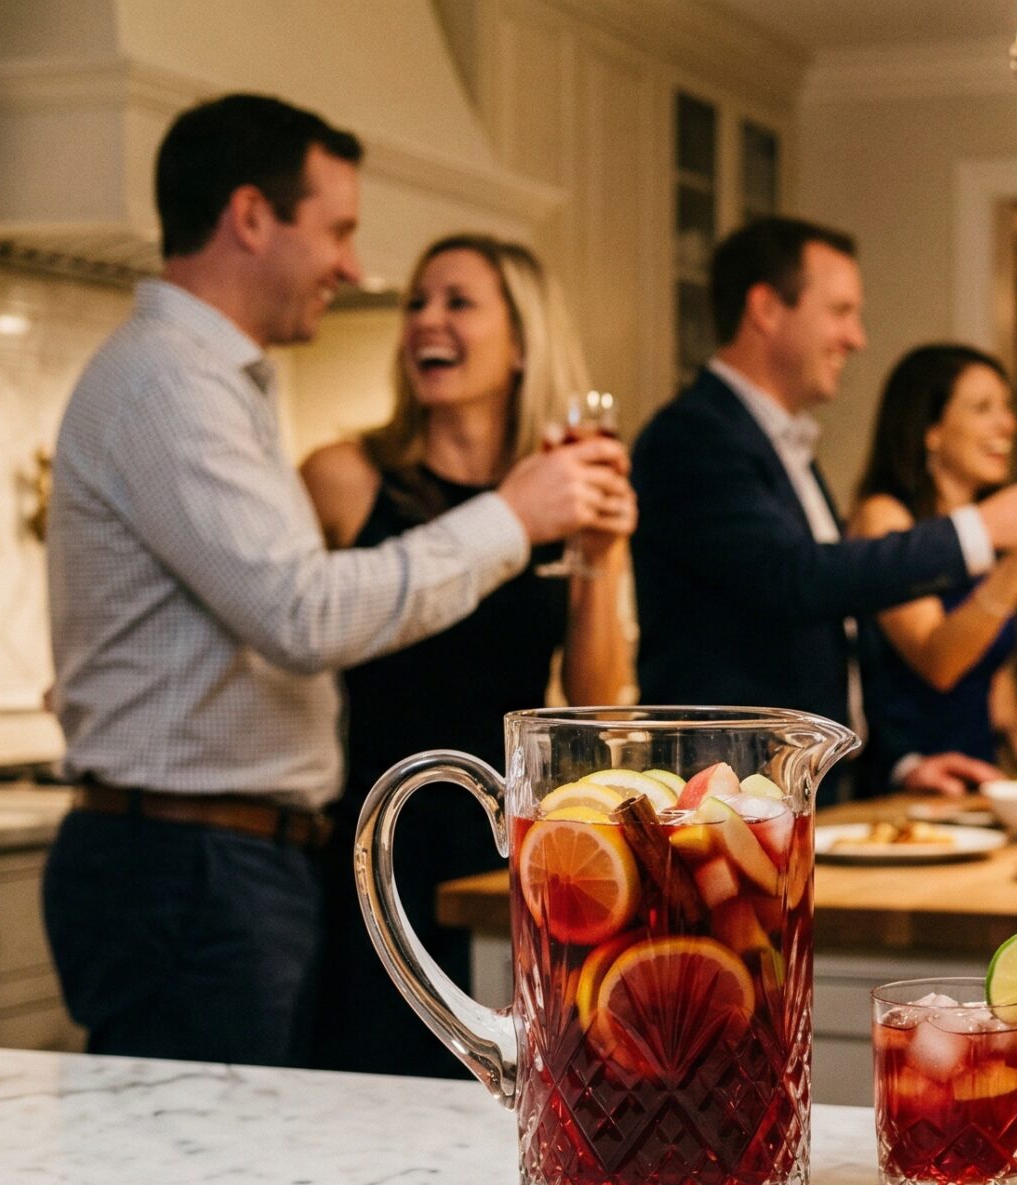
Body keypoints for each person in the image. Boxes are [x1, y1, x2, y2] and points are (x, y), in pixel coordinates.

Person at [42, 95, 628, 1066]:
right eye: (340, 230)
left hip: (238, 858)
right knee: (195, 1176)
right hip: (201, 865)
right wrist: (516, 518)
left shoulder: (213, 383)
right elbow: (301, 614)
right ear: (251, 218)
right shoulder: (171, 385)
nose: (354, 268)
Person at [295, 235, 632, 1077]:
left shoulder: (555, 488)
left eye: (457, 302)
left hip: (503, 844)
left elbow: (595, 709)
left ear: (522, 343)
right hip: (373, 836)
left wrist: (604, 554)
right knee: (369, 1074)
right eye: (416, 301)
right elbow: (294, 629)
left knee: (499, 1077)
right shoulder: (343, 476)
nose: (425, 322)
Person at [628, 217, 1017, 792]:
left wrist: (901, 762)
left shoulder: (781, 441)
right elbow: (793, 579)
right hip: (718, 795)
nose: (857, 337)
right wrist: (983, 529)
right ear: (766, 310)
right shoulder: (694, 434)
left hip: (797, 788)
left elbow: (834, 641)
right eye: (841, 311)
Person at [850, 344, 1017, 794]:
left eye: (1006, 408)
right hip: (912, 785)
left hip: (980, 779)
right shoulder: (886, 518)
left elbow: (989, 668)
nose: (1008, 424)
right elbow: (941, 661)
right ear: (930, 430)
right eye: (982, 408)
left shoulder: (985, 530)